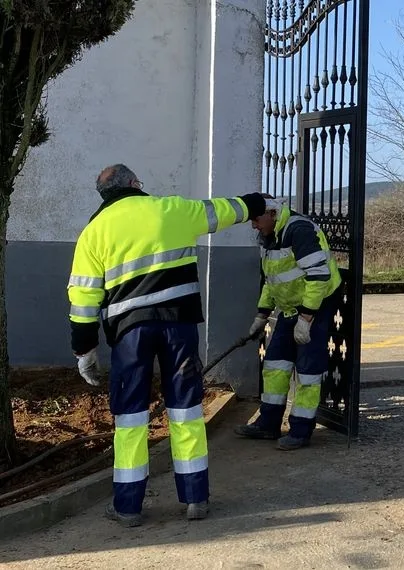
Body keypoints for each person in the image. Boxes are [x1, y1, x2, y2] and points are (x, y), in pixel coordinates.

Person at [66, 164, 266, 527]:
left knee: (130, 418)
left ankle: (128, 507)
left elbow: (83, 298)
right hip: (179, 326)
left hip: (130, 334)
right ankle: (195, 499)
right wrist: (256, 203)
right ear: (134, 184)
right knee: (186, 409)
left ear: (105, 195)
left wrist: (85, 350)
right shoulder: (172, 209)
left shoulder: (93, 232)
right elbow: (222, 211)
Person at [233, 197, 341, 450]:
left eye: (256, 220)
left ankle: (301, 431)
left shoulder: (298, 231)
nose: (253, 226)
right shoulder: (269, 236)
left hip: (317, 304)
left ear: (272, 213)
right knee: (275, 364)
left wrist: (306, 318)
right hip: (292, 307)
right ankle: (268, 424)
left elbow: (318, 277)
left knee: (307, 370)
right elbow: (274, 280)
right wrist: (262, 314)